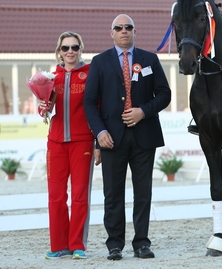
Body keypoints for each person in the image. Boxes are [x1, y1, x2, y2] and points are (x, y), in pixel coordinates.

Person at [84, 14, 171, 261]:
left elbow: (164, 94)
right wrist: (99, 133)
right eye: (119, 28)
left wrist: (143, 111)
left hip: (145, 136)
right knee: (113, 193)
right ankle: (115, 244)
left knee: (143, 193)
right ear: (111, 33)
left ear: (135, 31)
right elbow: (90, 102)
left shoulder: (149, 59)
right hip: (112, 138)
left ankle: (142, 243)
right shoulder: (99, 62)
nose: (124, 31)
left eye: (128, 27)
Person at [43, 31, 98, 260]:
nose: (70, 52)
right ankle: (58, 245)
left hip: (82, 142)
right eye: (65, 48)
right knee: (56, 196)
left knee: (79, 196)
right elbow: (44, 109)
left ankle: (77, 245)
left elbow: (97, 107)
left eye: (74, 47)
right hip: (55, 143)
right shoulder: (50, 77)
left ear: (80, 49)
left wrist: (97, 143)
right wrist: (42, 107)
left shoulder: (90, 74)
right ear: (59, 51)